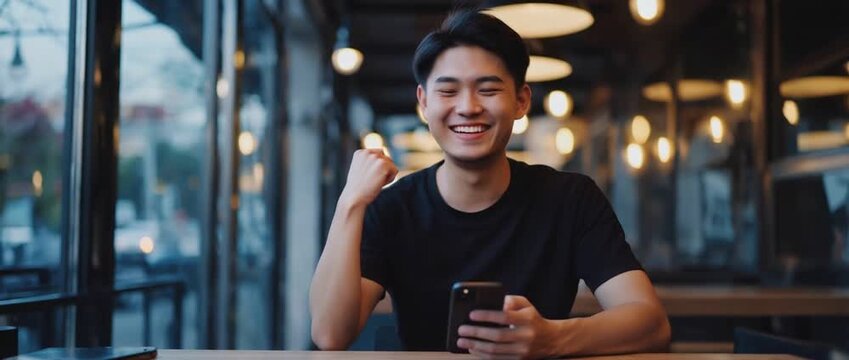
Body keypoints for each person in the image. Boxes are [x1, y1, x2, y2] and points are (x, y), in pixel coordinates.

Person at [309, 8, 670, 359]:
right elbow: (330, 334)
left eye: (488, 89)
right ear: (423, 103)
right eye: (448, 91)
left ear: (521, 100)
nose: (467, 107)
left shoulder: (571, 199)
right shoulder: (393, 208)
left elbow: (651, 322)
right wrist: (351, 203)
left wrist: (552, 338)